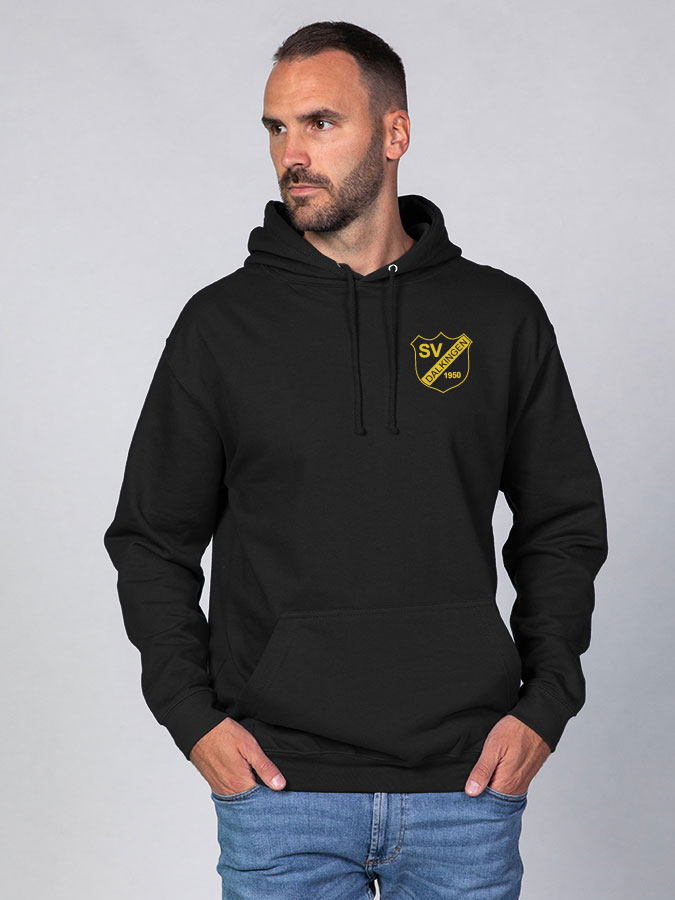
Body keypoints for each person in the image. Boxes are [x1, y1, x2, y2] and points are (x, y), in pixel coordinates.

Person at [103, 20, 608, 900]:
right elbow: (151, 539)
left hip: (464, 788)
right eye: (276, 128)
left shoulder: (499, 317)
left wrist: (545, 704)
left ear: (393, 133)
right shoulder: (220, 328)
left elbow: (561, 525)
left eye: (320, 123)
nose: (290, 155)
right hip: (280, 793)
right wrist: (191, 720)